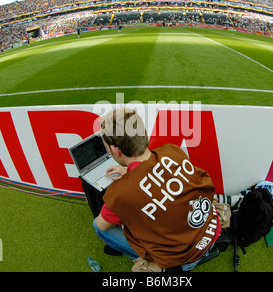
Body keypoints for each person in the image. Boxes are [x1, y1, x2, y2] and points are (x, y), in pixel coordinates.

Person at [93, 107, 221, 272]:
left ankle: (154, 264)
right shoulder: (172, 150)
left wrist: (130, 181)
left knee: (97, 225)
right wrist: (132, 172)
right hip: (212, 228)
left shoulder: (121, 193)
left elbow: (102, 225)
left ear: (116, 150)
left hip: (183, 260)